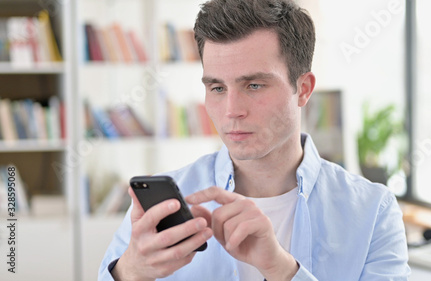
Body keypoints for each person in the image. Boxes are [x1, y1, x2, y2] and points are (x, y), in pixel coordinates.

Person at [99, 0, 411, 280]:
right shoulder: (164, 204)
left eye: (254, 86)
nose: (232, 111)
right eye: (217, 88)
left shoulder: (372, 213)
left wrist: (281, 269)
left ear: (303, 89)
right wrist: (131, 272)